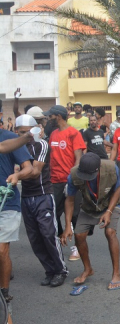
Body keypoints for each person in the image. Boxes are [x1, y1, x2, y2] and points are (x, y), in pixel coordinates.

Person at [16, 115, 67, 287]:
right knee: (35, 238)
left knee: (48, 234)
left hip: (43, 195)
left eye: (26, 131)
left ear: (34, 129)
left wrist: (17, 173)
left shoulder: (41, 144)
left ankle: (61, 270)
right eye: (20, 132)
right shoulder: (16, 147)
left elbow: (36, 171)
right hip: (26, 197)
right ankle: (49, 270)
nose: (23, 135)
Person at [60, 153, 120, 290]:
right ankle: (88, 269)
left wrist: (109, 212)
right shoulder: (74, 175)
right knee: (79, 235)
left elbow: (117, 190)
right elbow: (70, 200)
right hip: (89, 205)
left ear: (98, 168)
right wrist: (67, 226)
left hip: (111, 203)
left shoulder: (112, 168)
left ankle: (116, 273)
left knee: (110, 232)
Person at [0, 128, 34, 324]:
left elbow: (29, 167)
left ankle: (4, 294)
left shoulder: (7, 137)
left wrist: (17, 176)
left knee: (1, 252)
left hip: (7, 202)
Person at [45, 105, 86, 261]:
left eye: (50, 116)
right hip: (54, 181)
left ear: (58, 116)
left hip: (70, 181)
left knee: (74, 215)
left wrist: (73, 179)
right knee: (53, 214)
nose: (49, 119)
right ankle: (60, 238)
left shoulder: (73, 133)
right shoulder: (53, 134)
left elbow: (78, 158)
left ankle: (76, 247)